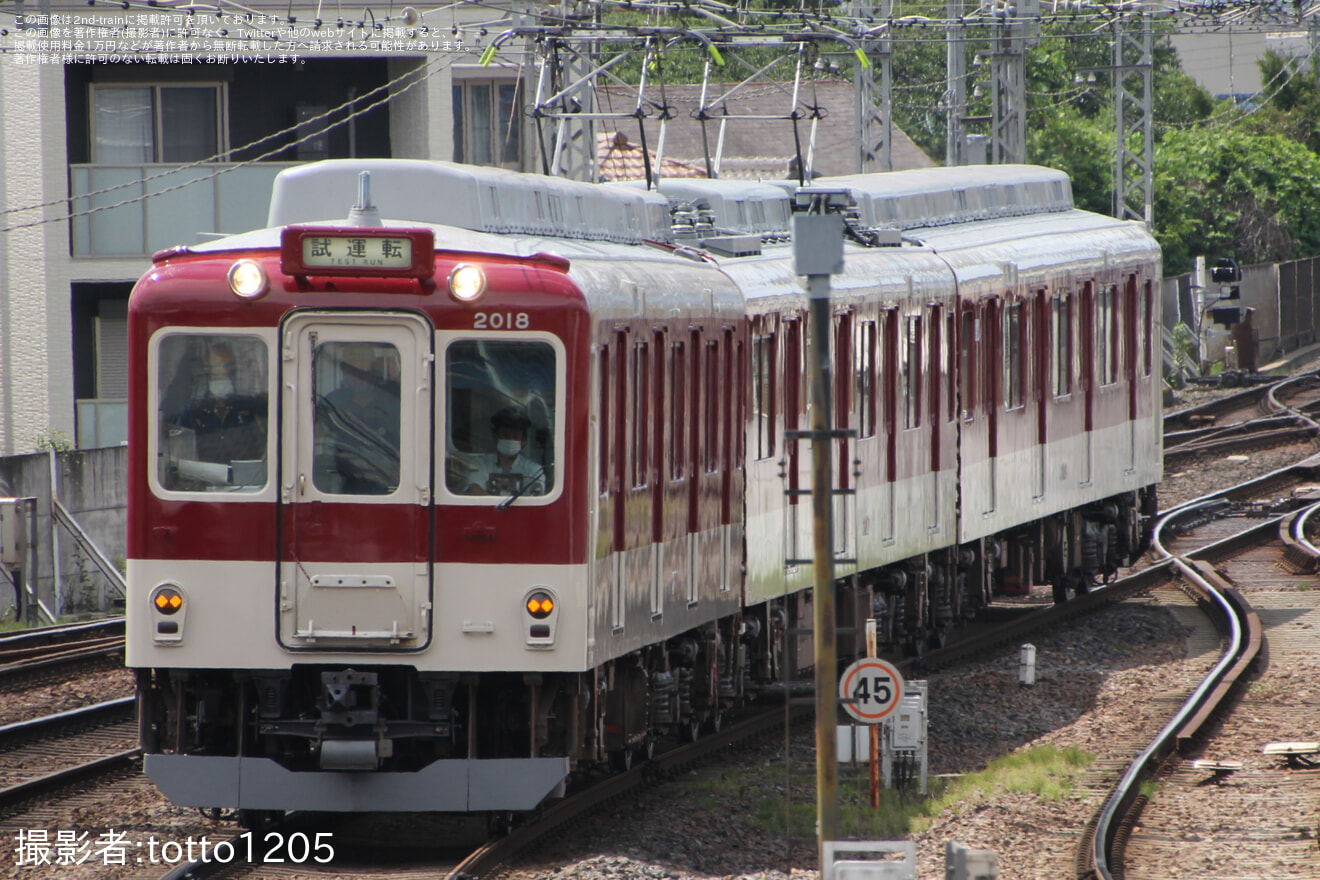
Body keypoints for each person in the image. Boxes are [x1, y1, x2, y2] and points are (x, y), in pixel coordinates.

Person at [316, 343, 401, 495]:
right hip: (342, 487)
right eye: (349, 371)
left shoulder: (393, 403)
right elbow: (314, 438)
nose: (355, 378)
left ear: (373, 371)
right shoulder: (333, 403)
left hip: (390, 489)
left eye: (361, 373)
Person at [175, 343, 266, 469]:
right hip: (204, 480)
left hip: (245, 482)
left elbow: (266, 442)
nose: (220, 381)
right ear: (208, 378)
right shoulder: (193, 411)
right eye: (216, 377)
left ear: (232, 377)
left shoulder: (249, 407)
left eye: (225, 376)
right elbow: (179, 448)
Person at [461, 407, 545, 497]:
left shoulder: (534, 470)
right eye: (505, 435)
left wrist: (536, 490)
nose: (510, 439)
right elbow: (475, 487)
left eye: (515, 436)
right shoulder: (480, 464)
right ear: (495, 436)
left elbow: (537, 490)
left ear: (523, 440)